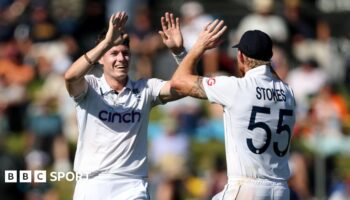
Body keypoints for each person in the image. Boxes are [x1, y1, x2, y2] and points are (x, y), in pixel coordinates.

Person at [169, 16, 296, 199]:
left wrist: (198, 46)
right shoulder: (288, 92)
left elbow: (179, 82)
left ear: (241, 56)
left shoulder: (236, 88)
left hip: (247, 188)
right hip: (281, 190)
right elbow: (270, 77)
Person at [64, 11, 184, 200]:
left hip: (132, 185)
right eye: (113, 53)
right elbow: (70, 76)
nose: (121, 59)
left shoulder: (146, 89)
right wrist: (106, 43)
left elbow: (184, 87)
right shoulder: (90, 87)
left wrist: (179, 53)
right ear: (101, 58)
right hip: (92, 183)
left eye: (125, 53)